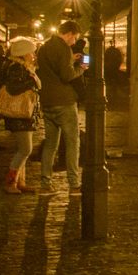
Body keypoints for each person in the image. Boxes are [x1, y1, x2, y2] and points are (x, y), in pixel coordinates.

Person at [36, 20, 85, 195]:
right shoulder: (64, 48)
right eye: (75, 38)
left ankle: (45, 184)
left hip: (47, 101)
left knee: (50, 144)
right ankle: (74, 184)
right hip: (64, 102)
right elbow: (67, 75)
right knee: (72, 142)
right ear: (69, 34)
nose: (74, 41)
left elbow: (51, 69)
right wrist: (81, 68)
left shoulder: (44, 47)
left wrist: (71, 59)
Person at [0, 37, 41, 194]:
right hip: (19, 114)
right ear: (23, 54)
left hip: (25, 115)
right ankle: (10, 182)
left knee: (23, 149)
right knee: (25, 149)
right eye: (31, 52)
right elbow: (13, 89)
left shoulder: (25, 68)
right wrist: (31, 82)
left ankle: (20, 182)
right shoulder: (16, 68)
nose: (33, 55)